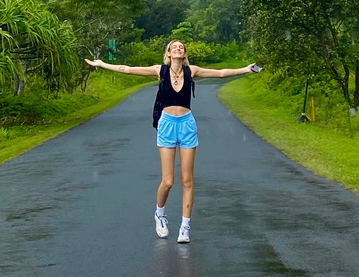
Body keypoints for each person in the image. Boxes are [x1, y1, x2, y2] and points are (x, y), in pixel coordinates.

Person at [85, 40, 259, 242]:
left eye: (181, 47)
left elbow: (220, 73)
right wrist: (102, 64)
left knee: (187, 180)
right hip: (167, 124)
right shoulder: (159, 70)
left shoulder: (191, 71)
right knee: (168, 181)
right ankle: (160, 214)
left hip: (187, 124)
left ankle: (185, 227)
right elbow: (127, 69)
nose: (178, 48)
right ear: (168, 52)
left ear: (184, 54)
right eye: (174, 46)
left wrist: (245, 69)